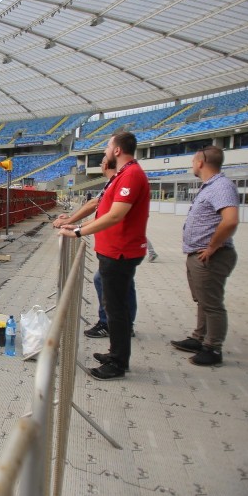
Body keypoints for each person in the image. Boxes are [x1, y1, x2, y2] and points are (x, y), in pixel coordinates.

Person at [58, 131, 150, 380]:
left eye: (109, 146)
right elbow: (101, 207)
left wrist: (79, 232)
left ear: (118, 150)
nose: (105, 151)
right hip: (113, 251)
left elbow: (115, 215)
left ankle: (118, 363)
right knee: (114, 306)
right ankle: (115, 354)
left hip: (120, 253)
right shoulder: (121, 175)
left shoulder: (131, 174)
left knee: (116, 309)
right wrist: (74, 224)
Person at [53, 158, 138, 339]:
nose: (100, 164)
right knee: (124, 284)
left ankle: (110, 324)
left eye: (102, 160)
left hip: (118, 247)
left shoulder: (118, 180)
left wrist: (74, 226)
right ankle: (124, 324)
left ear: (106, 165)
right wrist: (77, 226)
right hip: (119, 246)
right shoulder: (117, 181)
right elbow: (100, 213)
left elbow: (97, 207)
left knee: (107, 282)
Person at [170, 146, 239, 366]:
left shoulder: (221, 186)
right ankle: (199, 337)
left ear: (201, 162)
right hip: (198, 255)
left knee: (212, 304)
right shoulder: (210, 187)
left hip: (211, 256)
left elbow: (230, 220)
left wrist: (212, 247)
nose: (192, 165)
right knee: (203, 300)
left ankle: (213, 348)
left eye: (192, 162)